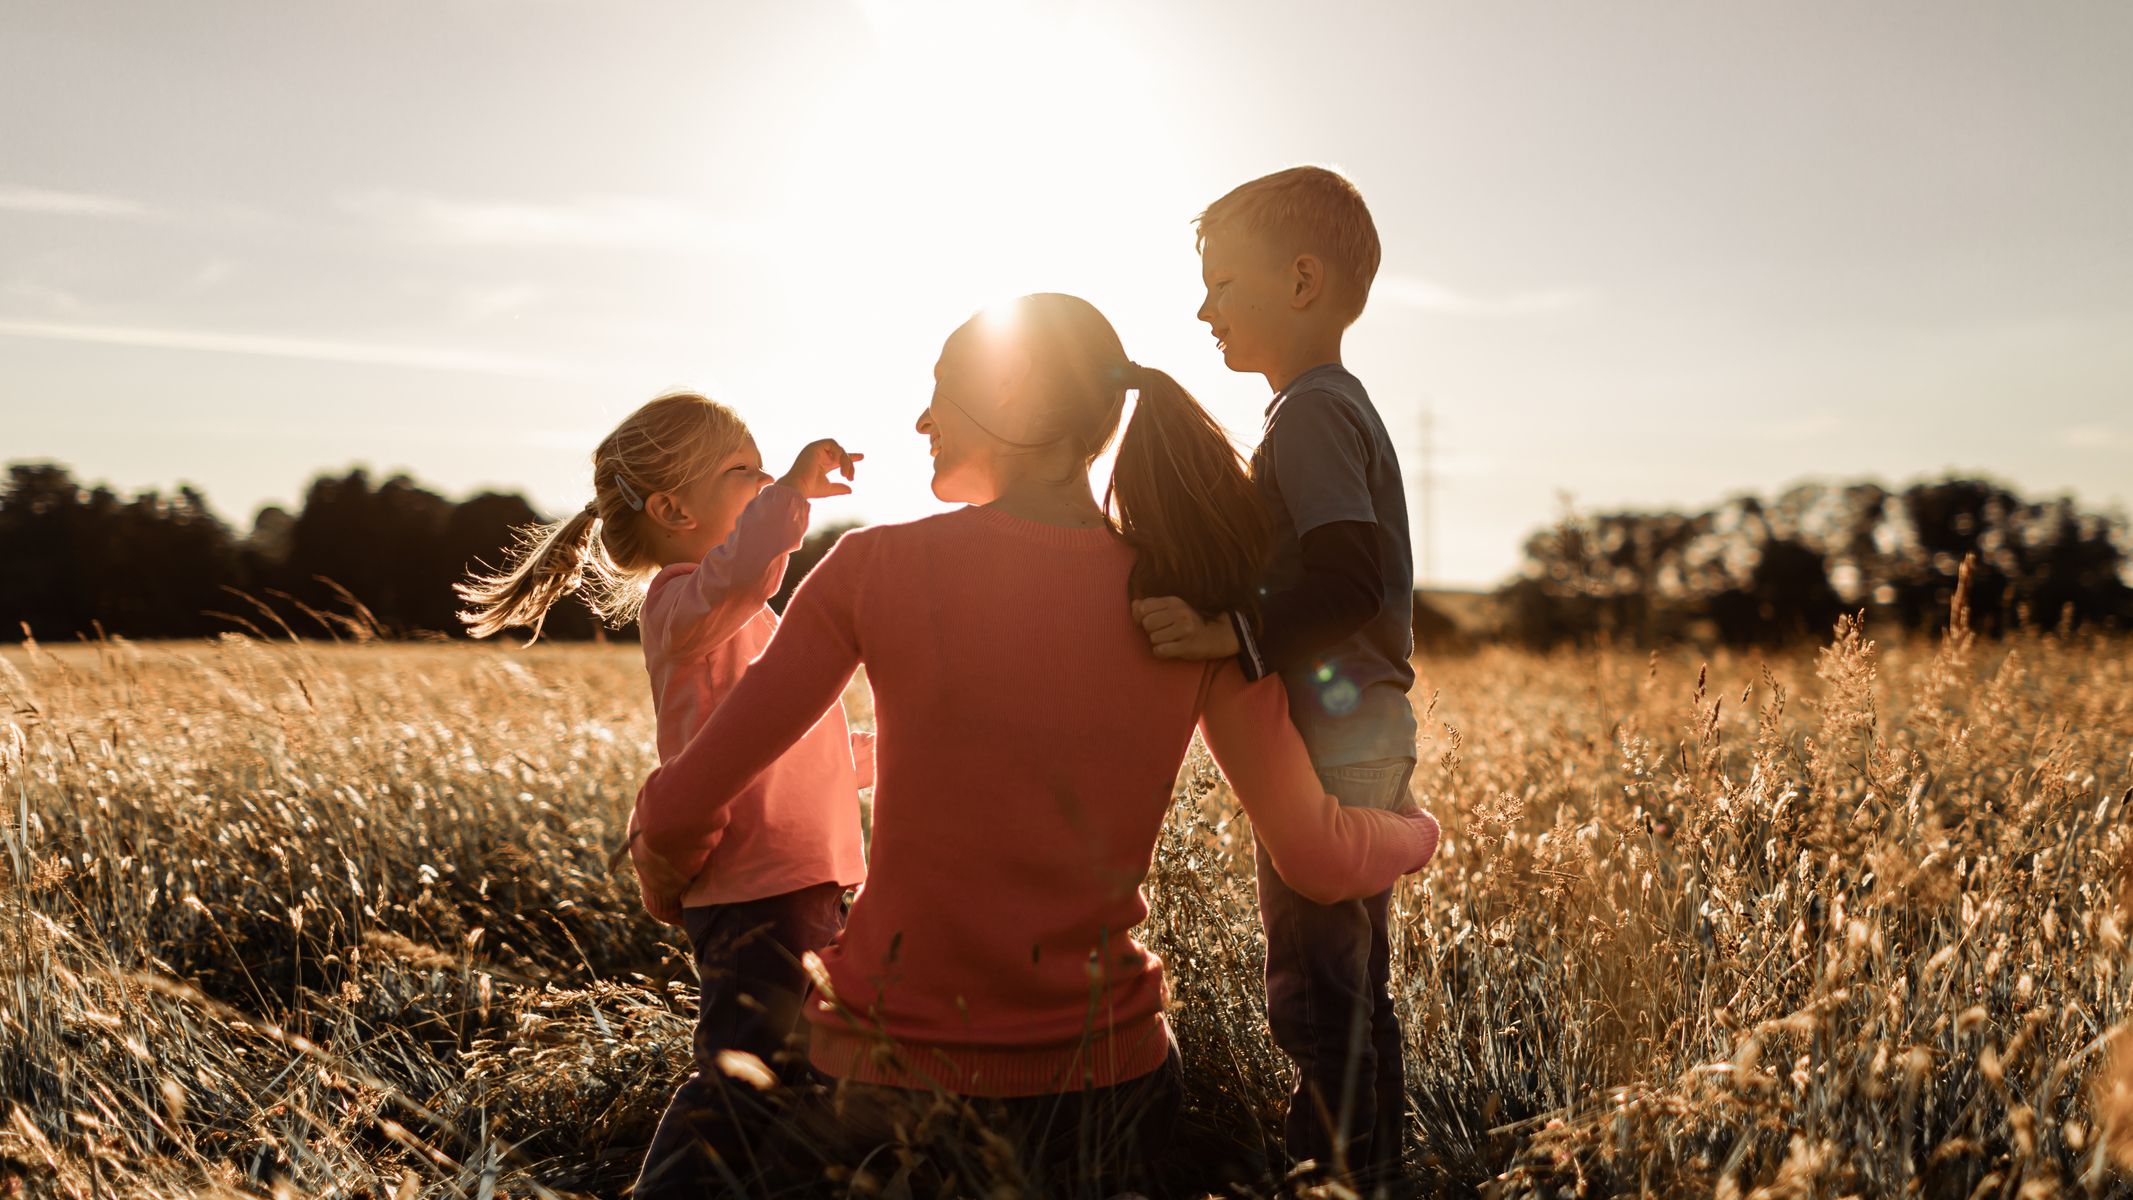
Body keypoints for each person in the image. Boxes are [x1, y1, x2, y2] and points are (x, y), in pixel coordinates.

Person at [632, 293, 1440, 1196]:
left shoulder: (868, 570)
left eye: (940, 392)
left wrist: (666, 881)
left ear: (1010, 397)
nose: (922, 420)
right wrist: (1416, 833)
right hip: (1109, 1093)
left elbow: (680, 802)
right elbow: (1321, 859)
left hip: (879, 1090)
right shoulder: (1194, 613)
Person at [452, 391, 872, 1199]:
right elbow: (742, 574)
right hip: (757, 893)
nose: (759, 485)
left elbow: (796, 745)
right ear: (673, 508)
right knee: (741, 1086)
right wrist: (792, 489)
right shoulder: (684, 607)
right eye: (742, 472)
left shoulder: (737, 619)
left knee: (799, 1078)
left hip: (800, 881)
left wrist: (891, 754)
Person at [1132, 165, 1421, 1188]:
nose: (1202, 308)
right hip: (1369, 731)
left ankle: (1336, 1178)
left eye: (1221, 283)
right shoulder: (1332, 406)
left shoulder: (1307, 416)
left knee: (1316, 994)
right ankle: (1368, 1171)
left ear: (1301, 282)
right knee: (1352, 989)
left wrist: (1227, 633)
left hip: (1336, 741)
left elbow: (1350, 579)